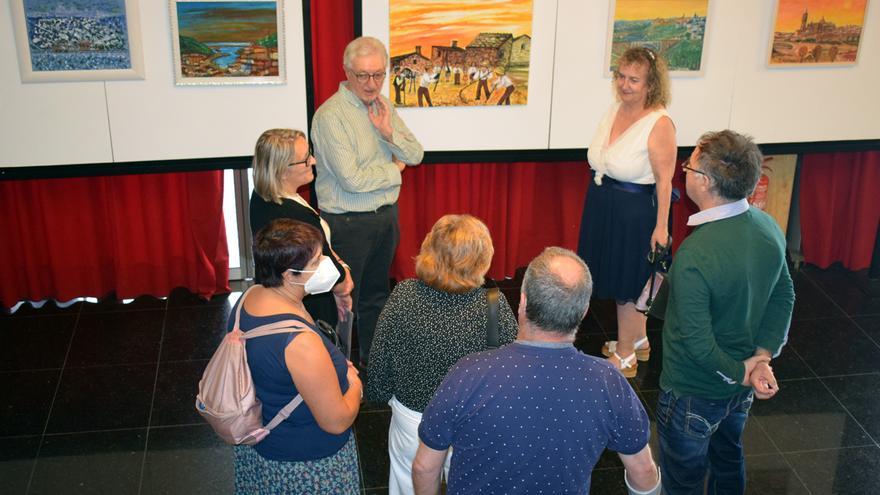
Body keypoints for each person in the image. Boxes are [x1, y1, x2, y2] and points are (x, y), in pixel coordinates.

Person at [413, 247, 661, 495]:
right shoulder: (608, 382)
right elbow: (644, 474)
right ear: (583, 311)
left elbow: (425, 467)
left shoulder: (468, 373)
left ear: (523, 301)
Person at [657, 130, 794, 495]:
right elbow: (785, 295)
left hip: (692, 391)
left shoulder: (695, 256)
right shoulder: (769, 227)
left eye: (688, 165)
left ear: (704, 182)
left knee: (683, 479)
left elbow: (697, 343)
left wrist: (741, 373)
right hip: (740, 387)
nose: (684, 171)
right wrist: (761, 359)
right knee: (728, 460)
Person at [366, 214, 518, 495]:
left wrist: (379, 393)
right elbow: (509, 370)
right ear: (481, 259)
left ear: (429, 251)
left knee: (407, 482)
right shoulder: (493, 305)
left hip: (413, 417)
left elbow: (380, 355)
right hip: (472, 420)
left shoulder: (404, 294)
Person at [311, 36, 424, 368]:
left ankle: (374, 366)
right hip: (348, 222)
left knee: (376, 297)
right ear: (346, 72)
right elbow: (352, 180)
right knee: (343, 300)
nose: (372, 84)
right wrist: (393, 169)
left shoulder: (383, 106)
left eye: (378, 74)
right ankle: (336, 370)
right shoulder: (331, 116)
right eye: (363, 75)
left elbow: (416, 155)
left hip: (385, 217)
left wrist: (389, 134)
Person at [232, 218, 363, 494]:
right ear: (290, 275)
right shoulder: (299, 343)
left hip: (264, 449)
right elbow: (336, 421)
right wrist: (354, 384)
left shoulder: (250, 297)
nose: (326, 264)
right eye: (316, 261)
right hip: (306, 466)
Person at [576, 47, 677, 377]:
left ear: (652, 84)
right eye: (621, 76)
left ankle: (625, 356)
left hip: (635, 212)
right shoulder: (615, 108)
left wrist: (661, 228)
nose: (624, 84)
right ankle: (639, 341)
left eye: (634, 79)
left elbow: (665, 182)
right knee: (619, 276)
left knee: (629, 282)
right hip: (603, 203)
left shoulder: (659, 123)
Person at [249, 128, 353, 328]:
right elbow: (330, 271)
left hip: (277, 301)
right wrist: (344, 284)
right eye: (305, 159)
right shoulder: (294, 214)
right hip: (308, 310)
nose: (313, 161)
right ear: (282, 170)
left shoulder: (261, 196)